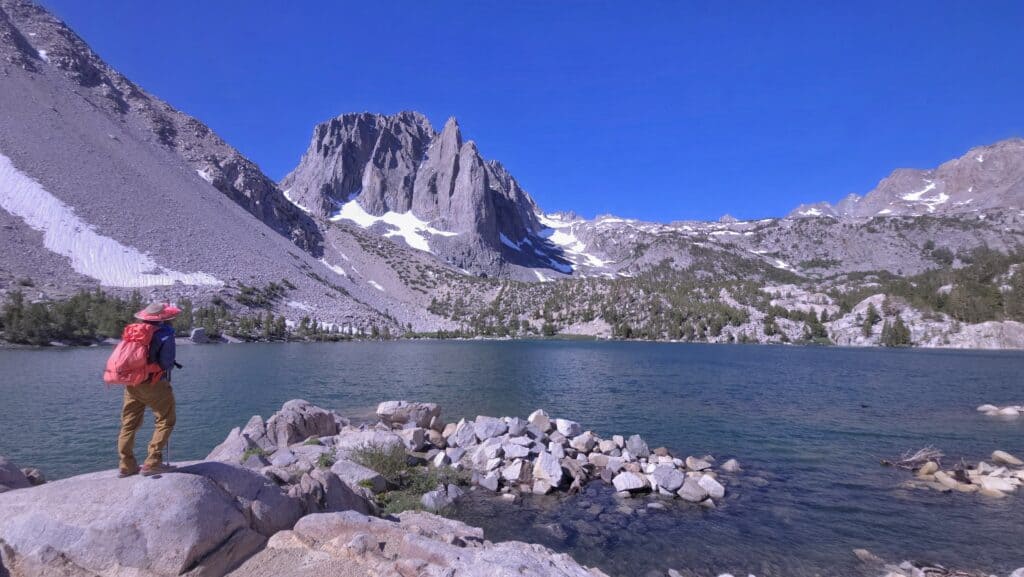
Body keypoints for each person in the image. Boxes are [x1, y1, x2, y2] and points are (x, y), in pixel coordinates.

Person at [117, 302, 179, 477]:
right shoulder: (165, 334)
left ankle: (125, 464)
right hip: (155, 383)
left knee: (129, 424)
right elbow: (166, 363)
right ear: (163, 318)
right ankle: (152, 462)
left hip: (132, 383)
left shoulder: (134, 332)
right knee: (166, 420)